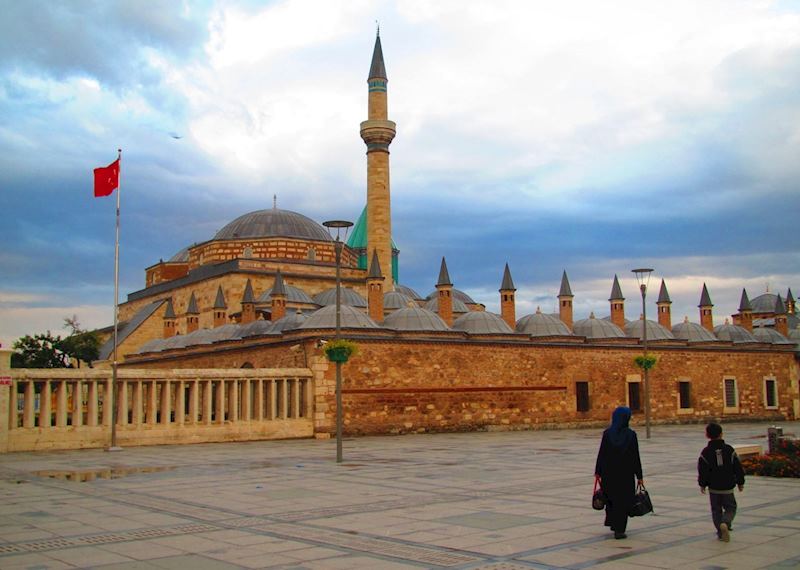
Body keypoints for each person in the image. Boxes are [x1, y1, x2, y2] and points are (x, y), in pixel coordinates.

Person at [594, 406, 644, 539]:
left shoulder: (607, 434)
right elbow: (635, 456)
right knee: (623, 501)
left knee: (611, 499)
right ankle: (620, 529)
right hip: (625, 475)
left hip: (609, 474)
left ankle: (612, 523)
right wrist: (639, 476)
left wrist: (598, 471)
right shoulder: (631, 435)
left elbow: (602, 454)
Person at [698, 422, 745, 542]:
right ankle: (726, 522)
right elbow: (737, 467)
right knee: (730, 507)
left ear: (707, 435)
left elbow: (702, 470)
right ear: (721, 434)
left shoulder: (705, 452)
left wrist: (702, 483)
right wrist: (740, 482)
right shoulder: (729, 450)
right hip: (728, 486)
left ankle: (720, 531)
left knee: (716, 509)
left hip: (714, 487)